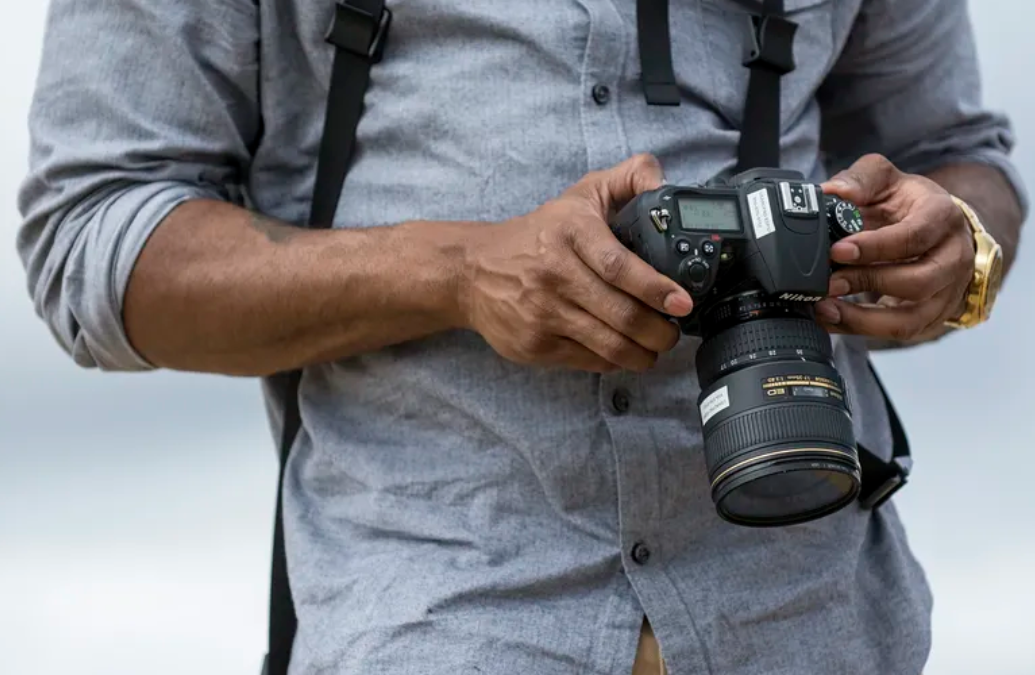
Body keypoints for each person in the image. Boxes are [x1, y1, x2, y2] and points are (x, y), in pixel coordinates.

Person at [16, 0, 1026, 673]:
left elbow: (955, 157)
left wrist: (955, 248)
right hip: (440, 616)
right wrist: (458, 271)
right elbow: (93, 239)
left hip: (819, 625)